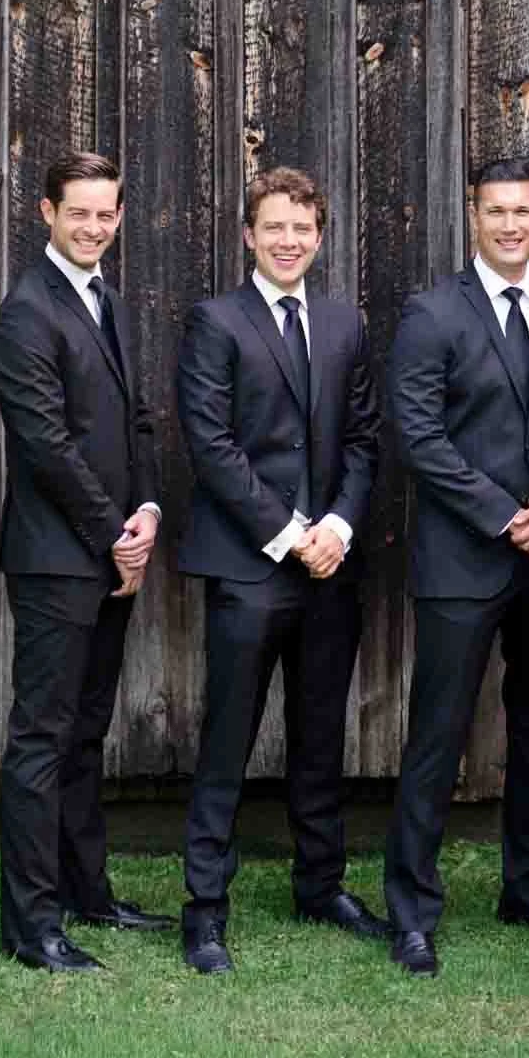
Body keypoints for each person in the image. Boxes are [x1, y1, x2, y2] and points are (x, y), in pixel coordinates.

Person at [382, 159, 529, 979]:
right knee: (437, 734)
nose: (510, 225)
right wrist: (505, 515)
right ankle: (411, 912)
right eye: (495, 211)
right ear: (473, 217)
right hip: (465, 558)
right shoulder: (432, 313)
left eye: (522, 211)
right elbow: (418, 436)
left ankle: (528, 890)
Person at [174, 166, 381, 973]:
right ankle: (204, 908)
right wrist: (290, 533)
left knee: (320, 733)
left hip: (331, 564)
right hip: (250, 564)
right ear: (248, 235)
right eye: (273, 227)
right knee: (227, 735)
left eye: (301, 228)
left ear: (318, 238)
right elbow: (211, 444)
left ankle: (319, 885)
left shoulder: (343, 323)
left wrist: (338, 527)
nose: (287, 241)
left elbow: (363, 437)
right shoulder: (215, 321)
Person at [0, 150, 168, 971]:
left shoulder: (110, 303)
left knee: (87, 734)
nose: (93, 228)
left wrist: (148, 513)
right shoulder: (26, 313)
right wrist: (114, 536)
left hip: (114, 552)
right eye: (78, 214)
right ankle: (31, 926)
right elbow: (46, 447)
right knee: (42, 738)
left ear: (119, 217)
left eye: (105, 214)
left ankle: (85, 892)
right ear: (46, 213)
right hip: (57, 560)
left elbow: (137, 424)